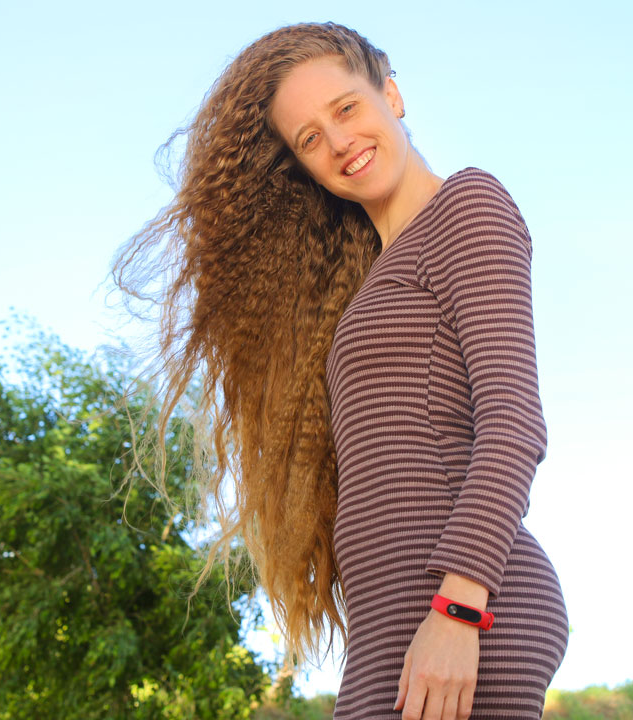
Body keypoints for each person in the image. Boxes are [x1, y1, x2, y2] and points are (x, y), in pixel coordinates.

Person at [112, 21, 569, 720]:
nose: (339, 143)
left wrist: (457, 610)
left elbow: (513, 421)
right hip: (397, 622)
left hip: (467, 612)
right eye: (309, 139)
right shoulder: (375, 274)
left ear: (392, 94)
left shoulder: (467, 206)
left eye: (346, 109)